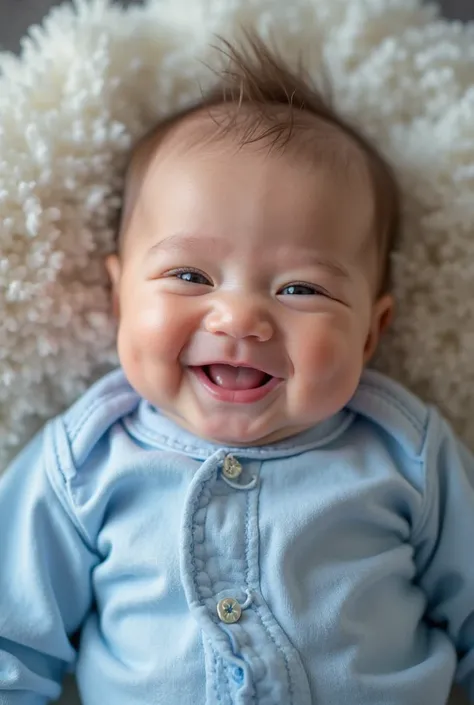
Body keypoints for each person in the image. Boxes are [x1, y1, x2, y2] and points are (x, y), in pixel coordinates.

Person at [0, 35, 473, 705]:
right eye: (190, 275)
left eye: (301, 288)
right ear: (118, 299)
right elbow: (12, 643)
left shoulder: (405, 453)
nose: (240, 319)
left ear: (372, 331)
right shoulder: (85, 461)